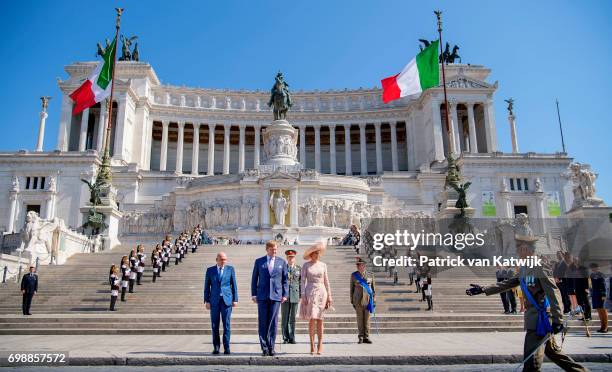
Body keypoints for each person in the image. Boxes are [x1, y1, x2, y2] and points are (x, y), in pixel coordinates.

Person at [466, 234, 586, 372]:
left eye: (519, 248)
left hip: (540, 321)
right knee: (554, 354)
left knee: (531, 364)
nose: (517, 251)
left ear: (526, 249)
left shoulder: (540, 266)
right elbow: (509, 283)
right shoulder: (524, 267)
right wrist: (483, 289)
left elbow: (553, 292)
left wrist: (558, 319)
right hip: (534, 319)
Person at [251, 240, 288, 356]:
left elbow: (285, 280)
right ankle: (264, 347)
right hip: (262, 296)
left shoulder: (281, 262)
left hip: (276, 296)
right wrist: (254, 294)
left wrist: (285, 294)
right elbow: (254, 279)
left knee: (274, 322)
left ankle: (271, 347)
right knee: (262, 322)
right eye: (272, 249)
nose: (274, 251)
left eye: (276, 249)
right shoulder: (259, 261)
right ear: (267, 249)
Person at [300, 242, 333, 355]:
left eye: (318, 253)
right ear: (311, 254)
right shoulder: (306, 265)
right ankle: (311, 344)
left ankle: (320, 344)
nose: (317, 255)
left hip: (321, 292)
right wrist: (303, 294)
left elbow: (327, 281)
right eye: (315, 253)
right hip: (310, 291)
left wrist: (329, 296)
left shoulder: (323, 265)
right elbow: (302, 280)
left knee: (320, 319)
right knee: (312, 318)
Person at [204, 252, 238, 355]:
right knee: (215, 325)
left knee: (226, 325)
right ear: (217, 259)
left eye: (225, 259)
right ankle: (216, 347)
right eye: (221, 259)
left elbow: (234, 285)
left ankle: (227, 347)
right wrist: (207, 300)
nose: (223, 261)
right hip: (214, 301)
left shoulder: (230, 269)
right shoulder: (210, 270)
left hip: (226, 301)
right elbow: (206, 287)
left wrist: (235, 299)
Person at [350, 257, 375, 344]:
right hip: (358, 301)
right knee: (360, 320)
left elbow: (373, 289)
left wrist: (374, 301)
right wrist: (352, 301)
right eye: (358, 265)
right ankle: (360, 337)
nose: (358, 266)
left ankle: (366, 337)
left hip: (368, 301)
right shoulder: (354, 275)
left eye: (360, 265)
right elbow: (351, 289)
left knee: (367, 320)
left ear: (364, 265)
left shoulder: (370, 275)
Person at [281, 249, 301, 344]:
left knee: (293, 318)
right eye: (289, 257)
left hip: (295, 295)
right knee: (285, 317)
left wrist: (300, 295)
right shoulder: (283, 268)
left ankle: (292, 337)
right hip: (284, 296)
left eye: (292, 257)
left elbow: (300, 282)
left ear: (294, 258)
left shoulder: (298, 268)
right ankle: (285, 337)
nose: (291, 258)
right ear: (287, 258)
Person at [589, 263, 608, 333]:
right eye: (592, 268)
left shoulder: (601, 274)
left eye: (594, 267)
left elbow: (604, 284)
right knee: (599, 311)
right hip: (595, 294)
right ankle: (602, 327)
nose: (593, 269)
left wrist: (604, 294)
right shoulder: (592, 275)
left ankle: (605, 327)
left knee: (603, 310)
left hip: (601, 294)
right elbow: (591, 285)